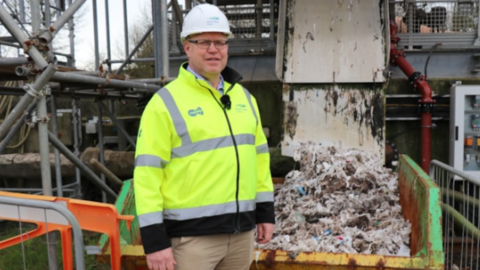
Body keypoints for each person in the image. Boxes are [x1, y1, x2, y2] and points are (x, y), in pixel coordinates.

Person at [133, 3, 275, 270]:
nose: (214, 49)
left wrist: (265, 213)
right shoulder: (165, 103)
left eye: (220, 42)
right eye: (204, 42)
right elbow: (147, 175)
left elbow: (260, 162)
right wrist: (154, 241)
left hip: (241, 235)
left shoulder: (244, 98)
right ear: (187, 47)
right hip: (191, 242)